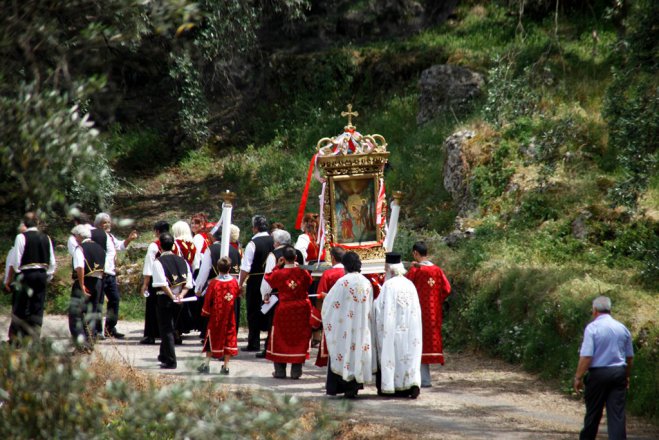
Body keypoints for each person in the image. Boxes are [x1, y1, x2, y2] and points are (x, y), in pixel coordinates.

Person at [574, 296, 634, 440]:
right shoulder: (622, 328)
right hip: (618, 372)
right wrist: (626, 376)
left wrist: (578, 377)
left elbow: (587, 356)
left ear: (594, 311)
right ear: (610, 310)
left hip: (598, 374)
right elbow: (630, 357)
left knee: (593, 413)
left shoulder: (592, 328)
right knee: (617, 415)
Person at [322, 251, 375, 398]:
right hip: (362, 326)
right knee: (358, 351)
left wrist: (326, 299)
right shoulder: (366, 282)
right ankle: (354, 386)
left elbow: (331, 304)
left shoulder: (343, 282)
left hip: (345, 326)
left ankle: (341, 385)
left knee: (344, 351)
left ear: (345, 265)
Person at [373, 252, 422, 399]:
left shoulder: (388, 286)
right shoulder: (410, 284)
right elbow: (416, 310)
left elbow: (379, 309)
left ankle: (392, 386)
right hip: (410, 331)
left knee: (392, 355)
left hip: (392, 331)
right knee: (409, 355)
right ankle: (411, 384)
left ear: (388, 268)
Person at [262, 245, 313, 379]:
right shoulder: (303, 272)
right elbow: (309, 282)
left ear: (283, 259)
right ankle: (296, 370)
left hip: (285, 308)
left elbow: (268, 278)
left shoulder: (279, 273)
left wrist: (277, 266)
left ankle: (280, 370)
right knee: (300, 337)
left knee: (280, 337)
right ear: (296, 257)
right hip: (302, 308)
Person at [406, 241, 451, 387]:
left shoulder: (416, 271)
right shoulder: (437, 270)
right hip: (433, 313)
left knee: (417, 342)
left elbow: (404, 286)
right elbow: (447, 289)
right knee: (428, 342)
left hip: (417, 313)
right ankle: (425, 379)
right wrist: (437, 301)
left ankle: (422, 379)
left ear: (415, 254)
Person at [6, 212, 56, 343]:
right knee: (37, 306)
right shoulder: (46, 237)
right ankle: (34, 338)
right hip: (41, 274)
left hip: (26, 273)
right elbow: (52, 260)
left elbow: (17, 259)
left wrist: (18, 273)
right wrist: (48, 275)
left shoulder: (21, 237)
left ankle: (17, 339)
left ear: (25, 223)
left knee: (21, 306)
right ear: (38, 222)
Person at [258, 228, 304, 358]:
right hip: (297, 295)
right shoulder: (299, 253)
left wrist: (265, 294)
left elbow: (268, 275)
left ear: (277, 242)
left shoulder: (274, 255)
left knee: (274, 324)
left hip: (279, 296)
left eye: (274, 242)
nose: (273, 244)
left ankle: (271, 349)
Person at [151, 233, 192, 369]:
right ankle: (163, 355)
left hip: (165, 298)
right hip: (180, 298)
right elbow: (188, 283)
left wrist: (172, 296)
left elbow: (162, 283)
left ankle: (170, 360)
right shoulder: (183, 261)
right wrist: (180, 295)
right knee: (170, 327)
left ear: (160, 247)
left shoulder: (158, 262)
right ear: (173, 245)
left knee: (166, 329)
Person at [194, 227, 241, 340]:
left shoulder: (211, 249)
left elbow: (204, 271)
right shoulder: (235, 250)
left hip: (217, 286)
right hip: (232, 286)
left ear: (212, 236)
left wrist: (198, 288)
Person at [97, 213, 138, 338]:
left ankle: (110, 328)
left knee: (114, 299)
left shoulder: (110, 236)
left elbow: (120, 246)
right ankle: (96, 331)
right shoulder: (97, 237)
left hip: (111, 274)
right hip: (101, 273)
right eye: (105, 222)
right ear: (99, 225)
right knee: (98, 302)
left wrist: (129, 239)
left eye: (109, 222)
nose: (108, 224)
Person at [197, 256, 240, 375]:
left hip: (216, 315)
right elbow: (236, 294)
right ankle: (226, 366)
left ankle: (206, 364)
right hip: (229, 316)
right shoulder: (234, 283)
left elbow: (208, 299)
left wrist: (205, 312)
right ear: (230, 268)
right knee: (228, 338)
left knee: (212, 338)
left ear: (217, 268)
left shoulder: (214, 283)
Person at [238, 215, 274, 352]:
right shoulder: (274, 240)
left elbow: (246, 267)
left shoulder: (252, 244)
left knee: (253, 311)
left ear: (255, 228)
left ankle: (254, 342)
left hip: (256, 280)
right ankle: (270, 343)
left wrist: (240, 283)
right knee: (270, 310)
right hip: (271, 279)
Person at [68, 224, 105, 350]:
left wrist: (82, 284)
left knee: (76, 314)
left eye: (75, 236)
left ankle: (81, 345)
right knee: (92, 313)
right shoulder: (100, 248)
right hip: (98, 282)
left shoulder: (80, 248)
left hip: (85, 281)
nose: (75, 239)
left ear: (79, 236)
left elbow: (80, 267)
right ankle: (90, 343)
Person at [139, 220, 176, 345]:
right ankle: (173, 333)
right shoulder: (174, 244)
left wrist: (145, 283)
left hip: (156, 280)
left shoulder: (154, 246)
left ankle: (151, 335)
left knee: (152, 307)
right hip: (172, 280)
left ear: (157, 231)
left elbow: (149, 265)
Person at [314, 246, 345, 367]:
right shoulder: (348, 273)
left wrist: (319, 314)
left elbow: (320, 295)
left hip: (332, 313)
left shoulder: (328, 273)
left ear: (332, 258)